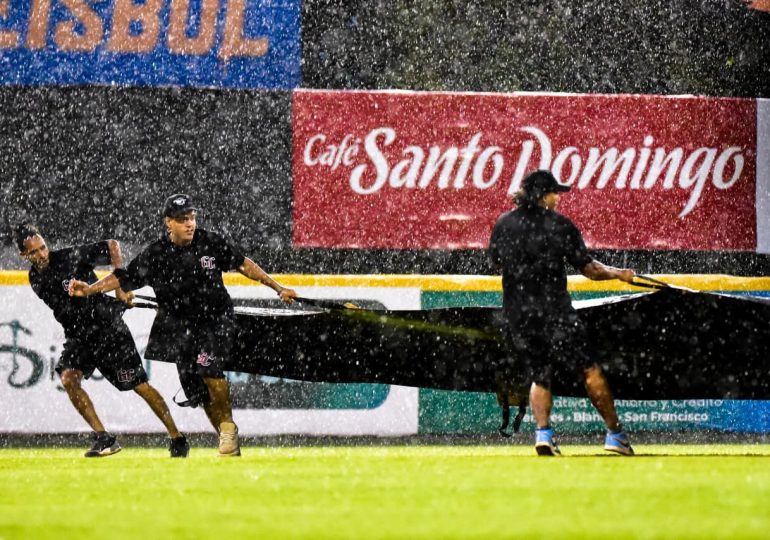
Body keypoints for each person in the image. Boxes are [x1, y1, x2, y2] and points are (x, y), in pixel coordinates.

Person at [69, 194, 298, 457]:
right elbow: (122, 278)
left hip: (216, 320)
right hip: (180, 330)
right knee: (199, 391)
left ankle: (228, 428)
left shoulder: (210, 242)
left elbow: (243, 265)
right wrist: (90, 290)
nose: (189, 224)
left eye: (191, 218)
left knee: (209, 368)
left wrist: (278, 288)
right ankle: (228, 444)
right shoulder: (155, 254)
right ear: (169, 223)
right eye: (182, 219)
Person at [489, 170, 636, 456]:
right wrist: (620, 273)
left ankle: (543, 435)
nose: (558, 198)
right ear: (544, 196)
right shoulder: (560, 225)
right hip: (555, 313)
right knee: (589, 370)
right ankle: (615, 435)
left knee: (540, 374)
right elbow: (590, 270)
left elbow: (495, 261)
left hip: (518, 315)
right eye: (555, 193)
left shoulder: (504, 223)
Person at [15, 224, 189, 458]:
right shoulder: (33, 277)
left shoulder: (69, 257)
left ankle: (177, 438)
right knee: (68, 378)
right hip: (80, 336)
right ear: (23, 255)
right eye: (34, 252)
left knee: (140, 386)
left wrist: (121, 284)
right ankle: (104, 438)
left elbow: (112, 245)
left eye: (43, 247)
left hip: (108, 330)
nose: (42, 254)